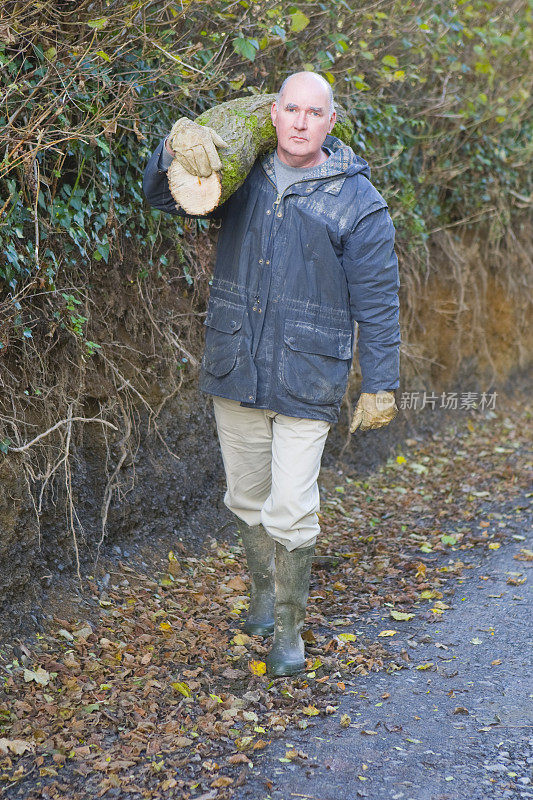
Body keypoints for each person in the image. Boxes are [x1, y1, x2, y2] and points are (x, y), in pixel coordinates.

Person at [143, 71, 400, 677]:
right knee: (248, 496)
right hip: (237, 364)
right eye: (292, 109)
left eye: (315, 112)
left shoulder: (357, 201)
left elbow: (379, 299)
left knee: (290, 505)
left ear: (330, 122)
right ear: (274, 114)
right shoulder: (244, 175)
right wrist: (172, 153)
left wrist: (381, 381)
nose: (302, 122)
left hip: (309, 377)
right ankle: (262, 598)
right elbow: (163, 197)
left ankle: (287, 631)